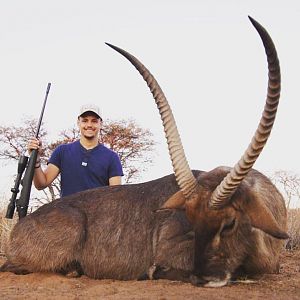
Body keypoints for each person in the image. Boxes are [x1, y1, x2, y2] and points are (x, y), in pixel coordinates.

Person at [28, 104, 124, 197]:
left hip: (98, 213)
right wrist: (35, 160)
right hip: (66, 212)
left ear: (100, 124)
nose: (89, 125)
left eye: (94, 121)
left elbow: (116, 197)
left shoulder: (112, 157)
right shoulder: (62, 151)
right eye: (85, 121)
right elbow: (41, 184)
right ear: (78, 122)